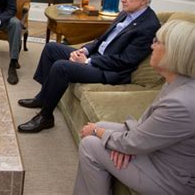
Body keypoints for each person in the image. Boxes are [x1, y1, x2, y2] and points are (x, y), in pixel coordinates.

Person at [17, 0, 160, 133]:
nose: (123, 0)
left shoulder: (149, 25)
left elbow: (126, 61)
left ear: (144, 0)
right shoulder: (125, 13)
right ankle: (43, 97)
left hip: (112, 71)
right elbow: (102, 40)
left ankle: (46, 117)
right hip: (97, 56)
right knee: (51, 48)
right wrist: (84, 50)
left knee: (61, 67)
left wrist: (88, 61)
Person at [73, 20, 195, 194]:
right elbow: (146, 125)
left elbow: (134, 142)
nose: (151, 47)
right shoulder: (177, 82)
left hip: (171, 178)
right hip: (158, 151)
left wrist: (100, 135)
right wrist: (119, 143)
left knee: (91, 144)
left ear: (174, 52)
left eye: (157, 42)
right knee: (101, 126)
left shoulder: (180, 103)